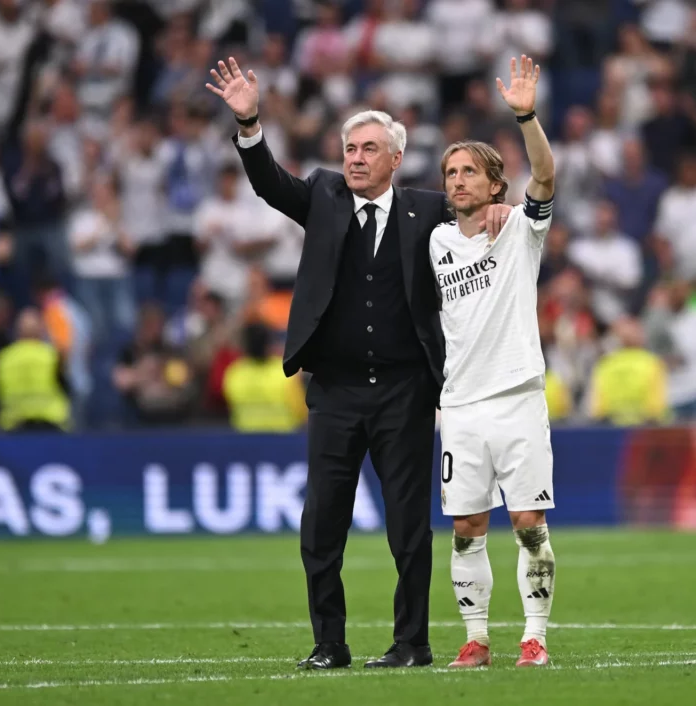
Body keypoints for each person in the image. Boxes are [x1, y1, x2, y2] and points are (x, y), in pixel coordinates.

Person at [206, 56, 511, 670]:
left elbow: (480, 218)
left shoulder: (428, 209)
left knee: (408, 529)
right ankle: (329, 644)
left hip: (405, 391)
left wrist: (494, 213)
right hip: (336, 392)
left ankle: (412, 644)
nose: (356, 157)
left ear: (395, 159)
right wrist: (249, 123)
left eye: (370, 148)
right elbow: (268, 182)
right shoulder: (322, 194)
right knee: (320, 526)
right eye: (350, 147)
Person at [429, 55, 557, 669]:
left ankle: (534, 637)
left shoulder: (519, 231)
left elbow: (548, 175)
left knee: (528, 521)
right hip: (459, 405)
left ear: (495, 183)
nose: (457, 181)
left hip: (517, 395)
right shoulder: (437, 240)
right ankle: (477, 638)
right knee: (465, 528)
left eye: (470, 172)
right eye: (451, 172)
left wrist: (525, 115)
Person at [0, 308, 71, 432]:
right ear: (41, 330)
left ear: (17, 331)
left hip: (13, 424)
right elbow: (65, 386)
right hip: (50, 423)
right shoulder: (51, 356)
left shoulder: (4, 357)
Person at [222, 322, 308, 432]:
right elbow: (301, 413)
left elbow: (229, 408)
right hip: (284, 442)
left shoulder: (234, 373)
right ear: (268, 344)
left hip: (244, 440)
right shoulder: (286, 372)